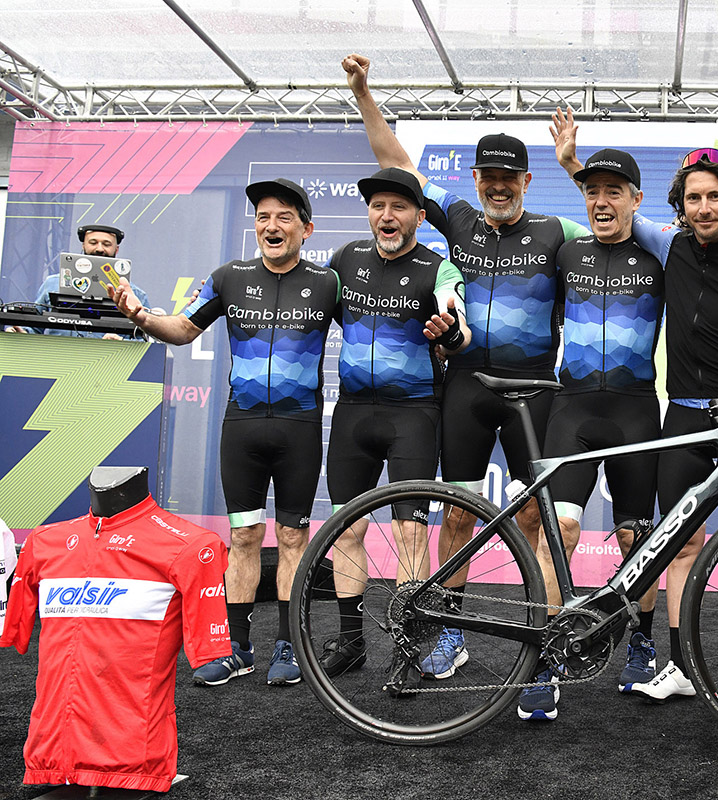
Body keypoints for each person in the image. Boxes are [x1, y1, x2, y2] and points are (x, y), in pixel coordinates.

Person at [344, 53, 589, 680]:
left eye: (510, 178)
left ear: (527, 180)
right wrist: (365, 96)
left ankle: (538, 643)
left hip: (535, 392)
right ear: (475, 178)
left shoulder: (557, 231)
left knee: (532, 517)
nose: (499, 187)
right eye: (489, 177)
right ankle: (450, 632)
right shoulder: (456, 218)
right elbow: (398, 166)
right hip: (465, 390)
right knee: (456, 512)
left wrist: (575, 166)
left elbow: (619, 227)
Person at [552, 111, 718, 706]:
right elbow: (613, 207)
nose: (703, 208)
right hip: (680, 418)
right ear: (681, 205)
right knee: (680, 545)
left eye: (714, 197)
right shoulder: (671, 244)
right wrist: (573, 165)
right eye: (693, 198)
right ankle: (680, 665)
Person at [108, 178, 341, 687]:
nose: (271, 226)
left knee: (293, 536)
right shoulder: (229, 277)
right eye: (262, 217)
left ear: (306, 229)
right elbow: (183, 329)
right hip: (242, 426)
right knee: (243, 535)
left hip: (299, 427)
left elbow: (370, 332)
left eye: (283, 217)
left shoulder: (328, 282)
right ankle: (238, 647)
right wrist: (141, 316)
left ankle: (289, 645)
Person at [517, 147, 665, 721]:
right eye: (592, 191)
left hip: (635, 411)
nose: (601, 202)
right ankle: (544, 658)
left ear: (636, 199)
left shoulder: (659, 255)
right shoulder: (566, 252)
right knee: (559, 532)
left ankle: (641, 643)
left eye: (614, 192)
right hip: (572, 409)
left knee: (637, 539)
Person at [317, 166, 470, 678]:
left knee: (410, 531)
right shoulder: (345, 258)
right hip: (353, 413)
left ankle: (410, 647)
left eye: (399, 207)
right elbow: (313, 305)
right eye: (378, 206)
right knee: (346, 528)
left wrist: (449, 330)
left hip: (414, 414)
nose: (387, 215)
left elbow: (456, 318)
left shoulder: (439, 268)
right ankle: (350, 641)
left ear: (419, 217)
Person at [4, 224, 150, 340]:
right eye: (93, 242)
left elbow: (146, 340)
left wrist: (122, 342)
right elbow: (35, 326)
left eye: (106, 244)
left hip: (110, 364)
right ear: (83, 246)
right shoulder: (52, 284)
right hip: (58, 361)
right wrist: (21, 332)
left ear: (116, 249)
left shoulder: (135, 295)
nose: (99, 249)